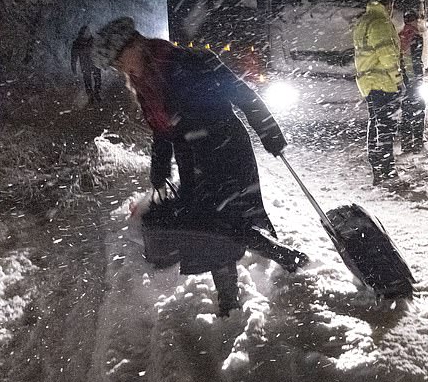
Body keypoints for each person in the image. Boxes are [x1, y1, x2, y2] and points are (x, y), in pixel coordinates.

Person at [92, 17, 308, 317]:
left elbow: (242, 94)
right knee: (214, 225)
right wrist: (160, 168)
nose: (121, 68)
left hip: (225, 149)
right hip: (192, 158)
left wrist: (269, 131)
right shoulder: (144, 84)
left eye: (119, 59)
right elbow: (162, 130)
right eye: (115, 65)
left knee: (218, 224)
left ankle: (234, 299)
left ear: (135, 44)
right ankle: (280, 262)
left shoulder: (189, 61)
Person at [353, 0, 405, 186]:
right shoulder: (380, 23)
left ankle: (378, 169)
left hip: (368, 82)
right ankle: (387, 172)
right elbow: (388, 55)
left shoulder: (364, 21)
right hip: (382, 82)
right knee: (385, 128)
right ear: (388, 4)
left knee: (375, 124)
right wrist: (398, 79)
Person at [398, 10, 428, 156]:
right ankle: (418, 144)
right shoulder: (414, 36)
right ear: (413, 21)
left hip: (405, 78)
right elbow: (414, 60)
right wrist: (417, 78)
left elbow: (402, 58)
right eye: (417, 21)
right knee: (419, 109)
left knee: (406, 111)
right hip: (412, 79)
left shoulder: (401, 35)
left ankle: (406, 144)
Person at [71, 24, 102, 104]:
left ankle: (97, 93)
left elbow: (99, 52)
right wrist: (73, 67)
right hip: (85, 65)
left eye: (89, 31)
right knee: (87, 82)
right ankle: (90, 96)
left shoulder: (93, 40)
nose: (88, 33)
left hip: (95, 63)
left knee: (98, 80)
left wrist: (101, 61)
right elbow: (74, 56)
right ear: (83, 32)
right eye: (86, 31)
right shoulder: (77, 43)